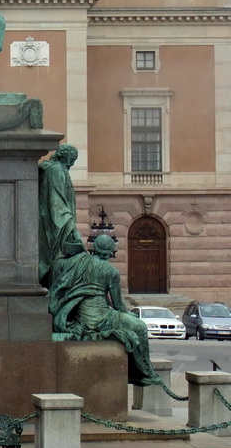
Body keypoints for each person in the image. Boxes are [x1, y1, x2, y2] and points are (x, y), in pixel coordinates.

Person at [48, 234, 157, 386]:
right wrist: (127, 315)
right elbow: (118, 305)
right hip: (100, 318)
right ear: (111, 251)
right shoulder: (111, 272)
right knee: (140, 327)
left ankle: (139, 371)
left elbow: (59, 266)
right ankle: (145, 373)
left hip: (81, 314)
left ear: (95, 248)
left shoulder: (80, 261)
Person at [38, 143, 86, 287]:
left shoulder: (54, 170)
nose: (71, 163)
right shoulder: (57, 171)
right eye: (71, 160)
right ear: (64, 157)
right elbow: (57, 205)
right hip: (56, 226)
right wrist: (72, 229)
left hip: (51, 223)